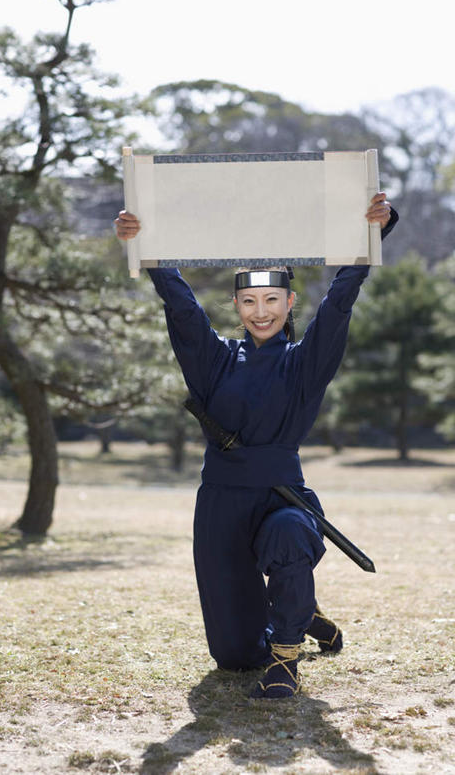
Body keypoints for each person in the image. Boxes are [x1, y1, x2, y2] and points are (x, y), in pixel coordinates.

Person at [114, 193, 398, 699]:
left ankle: (286, 658)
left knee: (289, 537)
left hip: (280, 496)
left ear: (289, 303)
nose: (260, 312)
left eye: (271, 301)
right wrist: (147, 245)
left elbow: (337, 305)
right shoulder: (215, 361)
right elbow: (181, 309)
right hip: (221, 499)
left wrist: (373, 234)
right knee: (235, 655)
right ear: (237, 306)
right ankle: (303, 613)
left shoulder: (305, 364)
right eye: (249, 302)